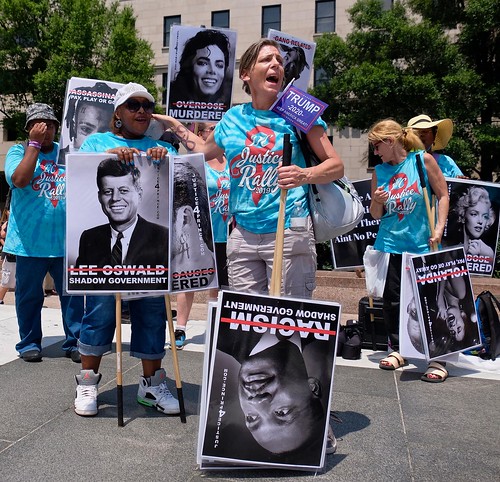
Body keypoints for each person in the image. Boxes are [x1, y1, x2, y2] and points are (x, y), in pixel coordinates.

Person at [156, 38, 345, 301]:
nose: (276, 65)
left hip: (288, 229)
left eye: (279, 61)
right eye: (267, 60)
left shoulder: (297, 111)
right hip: (242, 234)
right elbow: (201, 151)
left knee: (285, 322)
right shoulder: (233, 118)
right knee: (247, 322)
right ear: (246, 74)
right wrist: (173, 124)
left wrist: (304, 175)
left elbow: (335, 165)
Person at [74, 82, 180, 417]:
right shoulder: (96, 142)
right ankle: (87, 382)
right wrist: (107, 156)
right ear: (118, 112)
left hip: (148, 256)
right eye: (133, 105)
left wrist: (166, 159)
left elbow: (182, 182)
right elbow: (75, 169)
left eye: (147, 106)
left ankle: (151, 386)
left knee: (152, 314)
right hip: (104, 260)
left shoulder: (159, 147)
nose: (142, 112)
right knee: (100, 314)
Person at [367, 119, 450, 381]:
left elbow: (443, 194)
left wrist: (438, 228)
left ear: (390, 142)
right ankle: (398, 348)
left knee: (430, 301)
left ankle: (437, 358)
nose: (376, 152)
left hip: (421, 244)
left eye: (377, 146)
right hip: (391, 244)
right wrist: (377, 202)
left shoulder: (422, 161)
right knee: (392, 301)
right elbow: (375, 214)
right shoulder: (379, 171)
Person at [4, 103, 84, 363]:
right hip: (28, 243)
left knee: (71, 298)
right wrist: (34, 146)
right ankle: (29, 342)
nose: (45, 129)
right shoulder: (18, 151)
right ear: (29, 129)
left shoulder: (66, 154)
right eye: (38, 124)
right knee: (29, 296)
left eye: (49, 125)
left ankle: (75, 341)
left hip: (64, 242)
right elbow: (19, 180)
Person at [173, 121, 229, 349]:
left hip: (226, 232)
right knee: (191, 279)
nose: (216, 133)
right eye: (211, 129)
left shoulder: (229, 160)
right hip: (198, 230)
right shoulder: (195, 161)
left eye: (220, 128)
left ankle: (215, 326)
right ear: (200, 133)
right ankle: (180, 328)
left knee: (218, 284)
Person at [75, 158, 168, 269]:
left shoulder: (162, 236)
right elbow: (82, 284)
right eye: (108, 192)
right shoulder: (89, 238)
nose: (115, 198)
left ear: (139, 194)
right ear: (99, 197)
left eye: (123, 190)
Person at [59, 82, 118, 164]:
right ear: (73, 126)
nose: (93, 140)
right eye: (86, 129)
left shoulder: (120, 161)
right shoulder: (60, 158)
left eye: (104, 133)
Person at [169, 29, 231, 106]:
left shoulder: (229, 113)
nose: (212, 70)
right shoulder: (172, 103)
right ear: (188, 68)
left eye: (219, 65)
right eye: (203, 63)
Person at [454, 185, 496, 273]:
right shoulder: (452, 249)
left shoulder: (487, 252)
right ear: (463, 216)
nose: (480, 221)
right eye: (474, 214)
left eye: (485, 216)